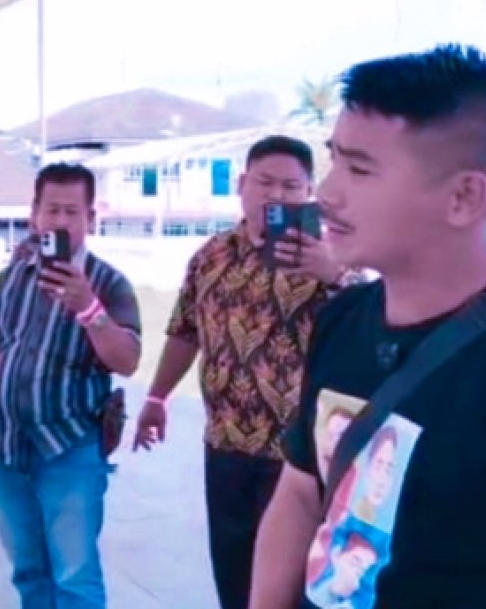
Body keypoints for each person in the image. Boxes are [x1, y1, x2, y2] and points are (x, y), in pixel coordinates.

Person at [251, 44, 486, 609]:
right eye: (334, 160)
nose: (328, 193)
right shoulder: (343, 319)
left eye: (360, 169)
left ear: (464, 197)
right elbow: (299, 492)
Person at [132, 135, 358, 609]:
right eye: (265, 182)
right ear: (241, 185)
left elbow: (377, 317)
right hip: (226, 447)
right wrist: (156, 398)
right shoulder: (211, 256)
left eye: (291, 186)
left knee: (292, 588)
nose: (276, 195)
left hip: (297, 459)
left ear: (309, 192)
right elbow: (184, 332)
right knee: (234, 578)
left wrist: (336, 274)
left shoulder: (334, 254)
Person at [0, 162, 142, 608]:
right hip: (8, 450)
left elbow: (127, 361)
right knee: (29, 572)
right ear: (34, 214)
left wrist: (89, 308)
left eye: (73, 212)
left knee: (74, 576)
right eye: (52, 210)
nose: (61, 221)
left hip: (69, 449)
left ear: (91, 218)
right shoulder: (11, 278)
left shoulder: (110, 284)